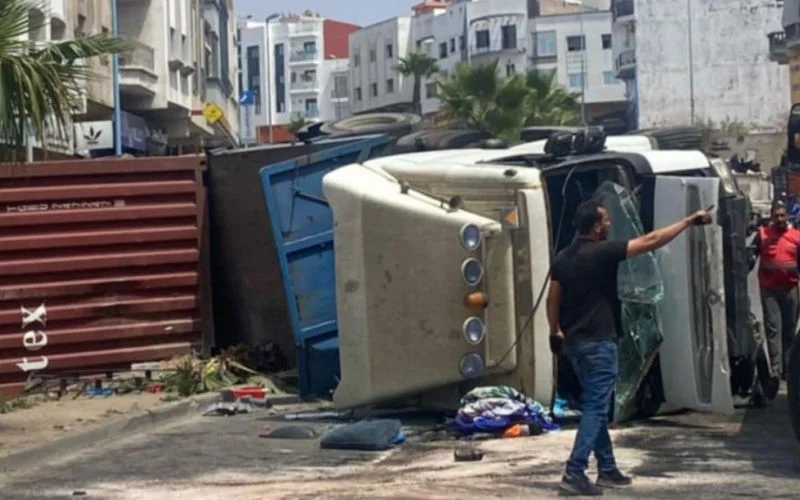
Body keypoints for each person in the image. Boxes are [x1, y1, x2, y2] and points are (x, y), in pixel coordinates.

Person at [546, 199, 712, 496]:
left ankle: (607, 468)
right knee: (596, 408)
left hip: (574, 344)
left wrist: (554, 330)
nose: (609, 224)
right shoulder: (602, 252)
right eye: (606, 220)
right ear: (596, 227)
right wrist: (688, 221)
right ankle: (575, 470)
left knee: (591, 404)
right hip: (598, 342)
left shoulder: (562, 258)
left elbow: (552, 298)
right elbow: (651, 241)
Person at [749, 202, 800, 380]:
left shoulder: (796, 237)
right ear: (771, 217)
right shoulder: (762, 235)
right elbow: (751, 258)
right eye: (776, 216)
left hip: (790, 289)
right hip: (769, 290)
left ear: (787, 217)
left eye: (782, 215)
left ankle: (789, 369)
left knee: (790, 330)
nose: (779, 219)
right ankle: (776, 371)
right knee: (773, 330)